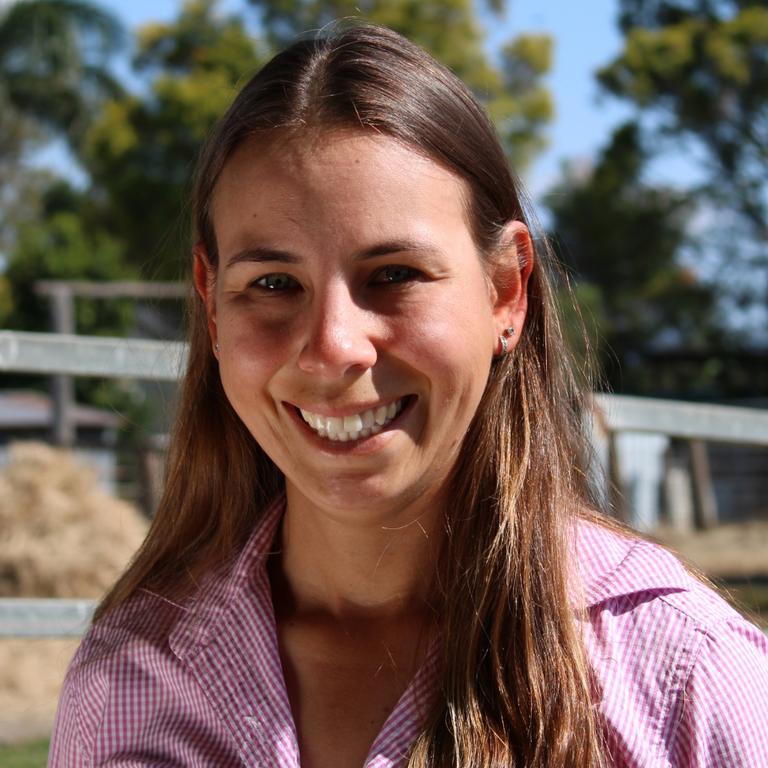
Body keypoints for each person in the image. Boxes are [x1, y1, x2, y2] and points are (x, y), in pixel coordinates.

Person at [49, 23, 768, 768]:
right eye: (272, 284)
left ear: (506, 292)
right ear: (212, 306)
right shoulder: (129, 679)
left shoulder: (683, 678)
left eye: (393, 274)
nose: (332, 347)